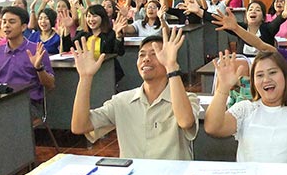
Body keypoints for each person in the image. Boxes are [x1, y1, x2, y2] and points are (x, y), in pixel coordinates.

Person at [70, 28, 200, 160]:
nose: (146, 59)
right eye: (142, 55)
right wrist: (85, 78)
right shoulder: (122, 101)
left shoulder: (187, 99)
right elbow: (80, 126)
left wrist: (171, 67)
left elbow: (185, 121)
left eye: (155, 54)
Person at [204, 50, 287, 163]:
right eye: (260, 75)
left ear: (285, 76)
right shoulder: (245, 109)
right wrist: (223, 88)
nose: (266, 79)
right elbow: (213, 127)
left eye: (272, 72)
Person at [0, 7, 55, 106]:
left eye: (12, 22)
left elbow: (50, 85)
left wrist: (39, 68)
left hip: (29, 105)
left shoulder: (37, 50)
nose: (6, 26)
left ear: (23, 27)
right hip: (1, 104)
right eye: (4, 22)